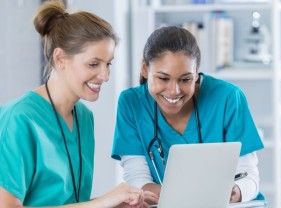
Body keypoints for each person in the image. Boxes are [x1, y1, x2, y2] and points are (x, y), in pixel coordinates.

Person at [0, 1, 149, 207]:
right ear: (60, 58)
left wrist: (116, 203)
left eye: (108, 64)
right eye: (94, 64)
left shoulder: (84, 117)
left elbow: (70, 203)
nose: (105, 76)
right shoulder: (19, 119)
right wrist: (102, 202)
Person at [111, 26, 265, 205]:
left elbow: (249, 176)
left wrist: (236, 191)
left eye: (185, 80)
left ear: (196, 72)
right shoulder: (131, 103)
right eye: (163, 78)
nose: (174, 91)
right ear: (145, 68)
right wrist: (190, 198)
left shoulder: (228, 98)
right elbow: (137, 179)